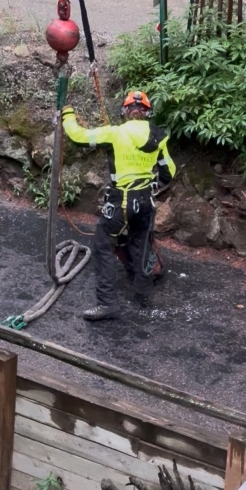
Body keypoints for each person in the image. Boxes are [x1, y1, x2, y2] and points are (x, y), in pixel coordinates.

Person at [62, 90, 176, 320]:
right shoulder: (158, 136)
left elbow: (77, 136)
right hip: (145, 201)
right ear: (146, 112)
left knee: (102, 244)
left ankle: (107, 303)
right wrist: (153, 186)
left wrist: (67, 113)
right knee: (140, 245)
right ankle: (143, 296)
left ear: (125, 112)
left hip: (121, 200)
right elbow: (168, 171)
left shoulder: (114, 133)